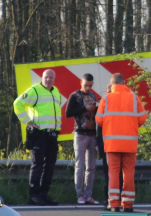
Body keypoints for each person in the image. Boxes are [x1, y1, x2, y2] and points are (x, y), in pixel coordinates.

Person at [96, 73, 147, 212]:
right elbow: (142, 118)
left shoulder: (106, 98)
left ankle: (114, 204)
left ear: (111, 84)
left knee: (113, 173)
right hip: (129, 144)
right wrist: (131, 127)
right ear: (124, 83)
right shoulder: (134, 97)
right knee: (128, 173)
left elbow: (99, 120)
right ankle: (128, 204)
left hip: (112, 144)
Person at [13, 69, 63, 206]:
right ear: (42, 78)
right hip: (39, 134)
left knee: (50, 166)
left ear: (54, 79)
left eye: (51, 78)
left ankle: (43, 194)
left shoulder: (55, 91)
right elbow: (17, 104)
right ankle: (34, 195)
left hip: (52, 134)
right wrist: (27, 121)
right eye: (46, 77)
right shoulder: (35, 90)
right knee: (38, 164)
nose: (48, 80)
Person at [65, 73, 100, 205]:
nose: (88, 88)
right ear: (81, 82)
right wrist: (84, 108)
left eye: (90, 85)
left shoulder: (92, 95)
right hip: (80, 134)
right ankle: (79, 195)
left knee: (91, 167)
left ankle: (88, 195)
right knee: (80, 165)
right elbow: (68, 113)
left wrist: (98, 106)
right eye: (86, 85)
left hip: (92, 134)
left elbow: (95, 115)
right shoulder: (75, 96)